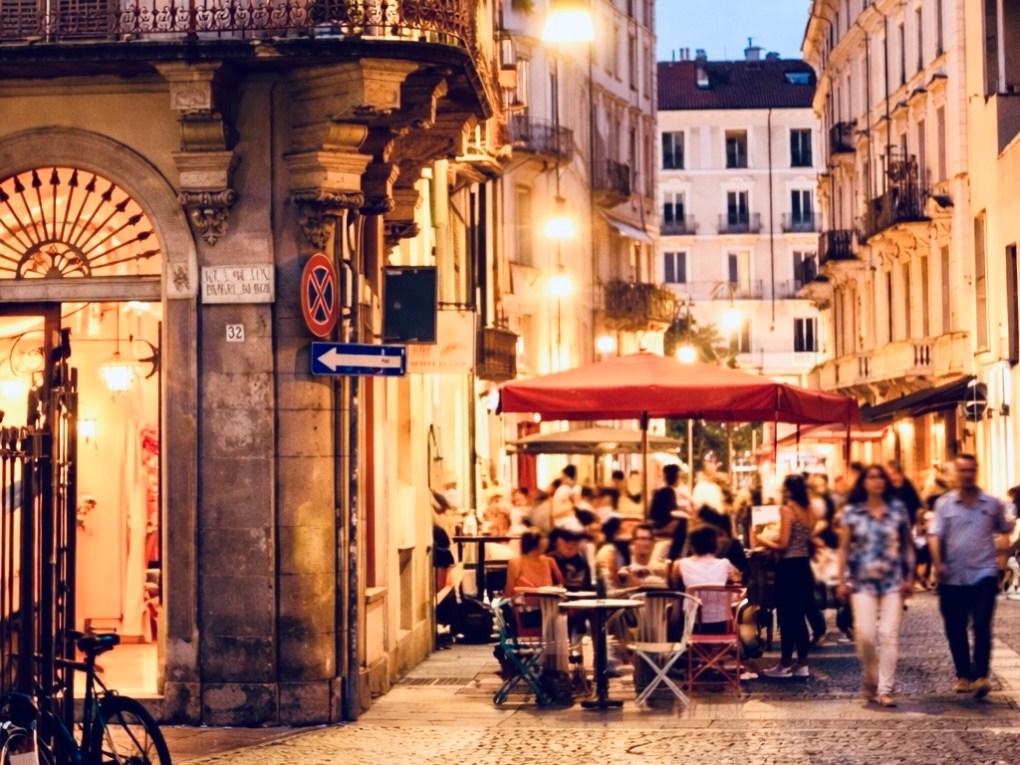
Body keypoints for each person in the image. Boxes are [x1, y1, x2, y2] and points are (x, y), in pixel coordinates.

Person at [929, 454, 1015, 698]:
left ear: (976, 472)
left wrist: (1002, 556)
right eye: (962, 470)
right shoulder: (944, 504)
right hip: (952, 577)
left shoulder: (991, 503)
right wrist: (938, 564)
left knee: (981, 624)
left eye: (971, 470)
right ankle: (963, 675)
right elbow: (935, 536)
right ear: (956, 474)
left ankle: (981, 676)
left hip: (983, 575)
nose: (967, 475)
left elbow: (1004, 528)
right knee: (955, 628)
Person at [835, 464, 914, 707]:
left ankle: (885, 689)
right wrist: (840, 579)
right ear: (863, 483)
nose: (877, 481)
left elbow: (908, 546)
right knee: (866, 635)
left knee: (888, 635)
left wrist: (910, 576)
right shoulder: (853, 513)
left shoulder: (898, 510)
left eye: (881, 477)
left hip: (893, 581)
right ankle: (870, 676)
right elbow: (845, 548)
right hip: (862, 582)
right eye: (872, 477)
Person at [756, 474, 816, 679]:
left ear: (789, 490)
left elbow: (783, 544)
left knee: (787, 616)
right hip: (804, 566)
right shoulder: (811, 512)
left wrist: (762, 540)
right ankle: (802, 663)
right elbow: (808, 541)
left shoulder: (787, 510)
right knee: (799, 616)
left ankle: (784, 664)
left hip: (789, 567)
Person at [671, 525, 740, 633]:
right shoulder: (725, 564)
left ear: (691, 545)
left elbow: (673, 584)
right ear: (715, 544)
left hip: (692, 624)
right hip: (721, 623)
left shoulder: (681, 564)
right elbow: (738, 582)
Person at [504, 529, 563, 598]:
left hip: (547, 605)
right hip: (524, 606)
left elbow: (562, 586)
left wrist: (555, 589)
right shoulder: (516, 562)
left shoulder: (549, 561)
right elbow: (510, 591)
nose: (547, 544)